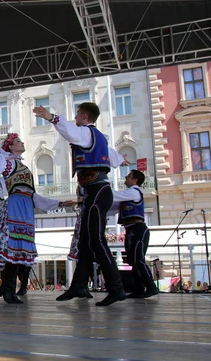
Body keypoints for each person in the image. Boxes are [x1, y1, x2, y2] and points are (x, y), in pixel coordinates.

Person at [34, 102, 128, 306]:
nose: (75, 118)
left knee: (96, 240)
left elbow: (70, 132)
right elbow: (112, 157)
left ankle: (116, 288)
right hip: (97, 192)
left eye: (77, 114)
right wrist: (122, 160)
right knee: (85, 242)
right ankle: (78, 286)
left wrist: (51, 117)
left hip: (96, 191)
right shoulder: (100, 137)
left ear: (84, 116)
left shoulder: (85, 133)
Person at [0, 133, 69, 304]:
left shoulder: (23, 167)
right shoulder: (8, 164)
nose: (22, 142)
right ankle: (9, 289)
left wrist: (60, 203)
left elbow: (35, 196)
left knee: (19, 249)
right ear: (11, 147)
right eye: (18, 141)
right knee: (14, 247)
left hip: (26, 208)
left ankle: (9, 289)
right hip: (16, 207)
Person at [109, 170, 159, 299]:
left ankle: (151, 287)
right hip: (131, 230)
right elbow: (113, 206)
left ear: (135, 180)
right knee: (133, 261)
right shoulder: (128, 196)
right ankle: (138, 289)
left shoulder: (134, 192)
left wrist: (101, 189)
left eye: (129, 176)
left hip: (138, 229)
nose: (125, 177)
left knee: (138, 260)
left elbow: (114, 195)